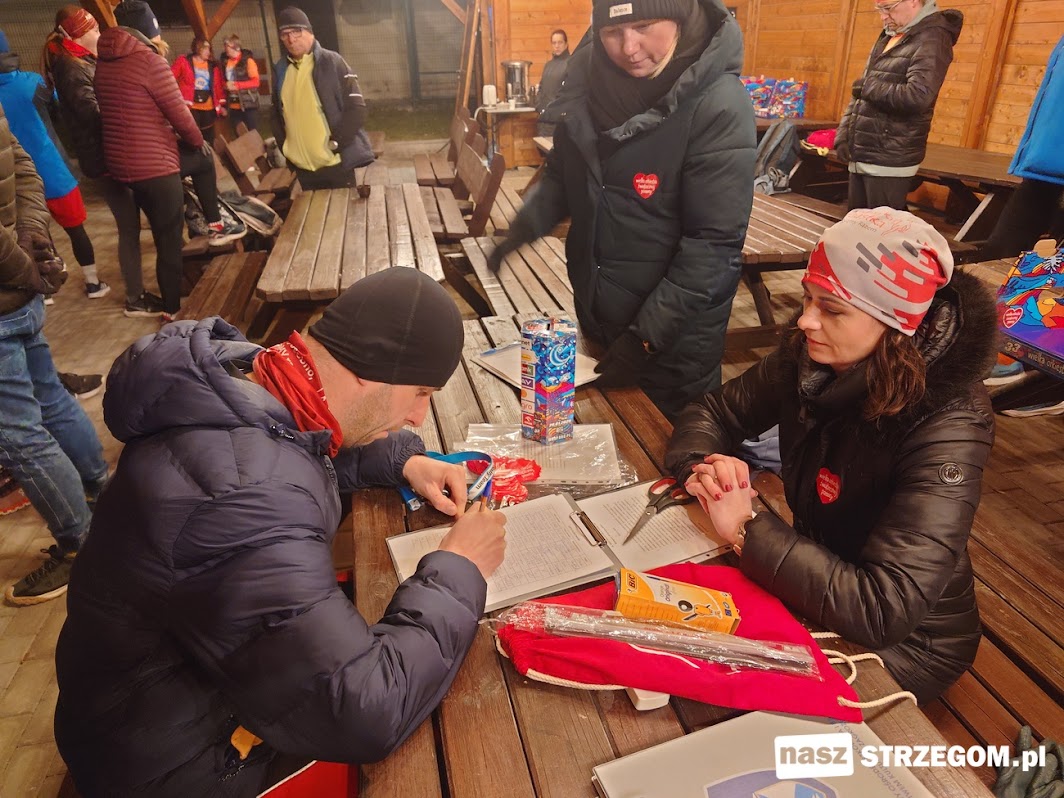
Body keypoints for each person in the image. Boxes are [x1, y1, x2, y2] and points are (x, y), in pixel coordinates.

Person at [54, 267, 508, 797]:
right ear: (372, 370)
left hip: (155, 706)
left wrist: (402, 461)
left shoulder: (254, 380)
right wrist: (459, 568)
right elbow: (362, 711)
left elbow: (295, 455)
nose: (419, 416)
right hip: (180, 765)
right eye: (420, 392)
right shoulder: (243, 500)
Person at [665, 207, 997, 704]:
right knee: (674, 635)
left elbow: (884, 609)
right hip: (822, 579)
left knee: (710, 687)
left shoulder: (949, 424)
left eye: (833, 309)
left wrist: (748, 528)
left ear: (896, 323)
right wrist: (703, 470)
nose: (806, 320)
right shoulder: (809, 358)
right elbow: (714, 412)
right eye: (807, 297)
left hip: (910, 642)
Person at [487, 0, 756, 421]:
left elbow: (713, 245)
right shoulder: (589, 85)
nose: (628, 47)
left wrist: (645, 340)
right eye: (612, 32)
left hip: (672, 344)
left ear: (679, 16)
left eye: (644, 26)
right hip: (598, 318)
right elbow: (562, 175)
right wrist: (522, 229)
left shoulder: (717, 103)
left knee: (663, 447)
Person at [0, 100, 110, 607]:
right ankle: (100, 493)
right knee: (49, 399)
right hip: (18, 291)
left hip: (8, 289)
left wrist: (23, 261)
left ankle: (79, 545)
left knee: (20, 434)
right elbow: (23, 166)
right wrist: (32, 237)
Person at [95, 16, 243, 318]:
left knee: (153, 235)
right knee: (170, 237)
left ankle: (164, 303)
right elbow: (179, 115)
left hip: (121, 166)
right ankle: (175, 308)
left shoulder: (104, 62)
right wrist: (195, 141)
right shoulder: (150, 62)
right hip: (153, 167)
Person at [42, 5, 162, 317]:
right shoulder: (71, 68)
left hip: (114, 153)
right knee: (129, 227)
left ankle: (144, 290)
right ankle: (135, 298)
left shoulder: (84, 61)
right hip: (106, 159)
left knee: (140, 221)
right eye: (94, 29)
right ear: (78, 35)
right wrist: (130, 108)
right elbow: (93, 113)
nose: (99, 34)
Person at [0, 28, 108, 299]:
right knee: (76, 230)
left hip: (15, 179)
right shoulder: (33, 83)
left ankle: (45, 289)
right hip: (52, 169)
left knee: (34, 235)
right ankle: (93, 283)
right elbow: (60, 111)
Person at [834, 0, 962, 211]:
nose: (883, 16)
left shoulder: (933, 37)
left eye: (888, 8)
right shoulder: (891, 35)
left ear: (912, 1)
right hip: (863, 154)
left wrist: (867, 87)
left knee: (882, 230)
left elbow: (917, 96)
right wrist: (844, 134)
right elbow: (860, 94)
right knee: (856, 227)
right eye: (879, 9)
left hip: (889, 157)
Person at [272, 7, 374, 190]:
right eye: (285, 34)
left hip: (335, 165)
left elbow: (357, 108)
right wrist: (286, 148)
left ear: (310, 32)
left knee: (343, 209)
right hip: (302, 168)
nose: (291, 39)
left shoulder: (333, 62)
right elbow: (276, 113)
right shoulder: (280, 70)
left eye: (297, 31)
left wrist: (337, 144)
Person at [172, 37, 226, 140]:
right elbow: (170, 77)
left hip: (208, 107)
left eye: (209, 48)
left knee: (208, 137)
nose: (208, 51)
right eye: (205, 48)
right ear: (198, 48)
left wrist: (222, 105)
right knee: (191, 136)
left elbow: (217, 86)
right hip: (190, 107)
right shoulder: (184, 61)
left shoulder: (213, 66)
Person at [221, 33, 261, 133]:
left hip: (248, 104)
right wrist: (226, 85)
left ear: (236, 47)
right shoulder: (225, 62)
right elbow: (223, 80)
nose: (225, 48)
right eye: (225, 45)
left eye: (227, 45)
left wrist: (237, 86)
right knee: (239, 133)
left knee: (252, 133)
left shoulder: (248, 61)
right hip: (233, 104)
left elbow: (255, 82)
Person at [535, 29, 570, 137]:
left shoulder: (571, 64)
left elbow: (570, 93)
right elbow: (541, 88)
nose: (557, 46)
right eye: (554, 43)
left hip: (559, 122)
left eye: (560, 42)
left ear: (566, 44)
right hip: (544, 120)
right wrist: (539, 107)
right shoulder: (548, 65)